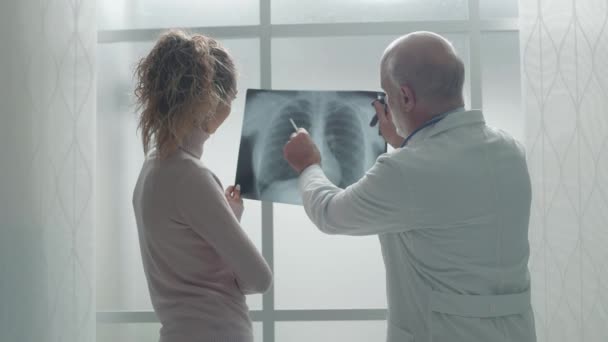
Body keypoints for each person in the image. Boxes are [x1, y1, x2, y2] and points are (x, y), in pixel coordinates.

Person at [283, 31, 536, 342]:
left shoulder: (405, 171)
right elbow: (450, 187)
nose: (387, 103)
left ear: (405, 97)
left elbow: (329, 213)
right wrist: (406, 142)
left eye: (387, 95)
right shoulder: (509, 150)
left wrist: (308, 164)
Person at [132, 30, 272, 342]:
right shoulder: (190, 176)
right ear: (211, 99)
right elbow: (259, 279)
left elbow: (188, 265)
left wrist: (226, 217)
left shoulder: (150, 171)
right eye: (231, 98)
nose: (233, 106)